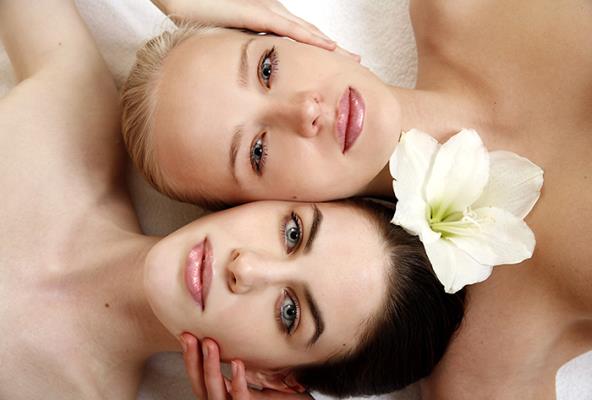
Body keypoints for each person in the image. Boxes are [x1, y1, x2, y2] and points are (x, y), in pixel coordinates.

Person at [121, 1, 592, 398]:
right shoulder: (488, 348)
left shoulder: (460, 9)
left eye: (267, 68)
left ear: (286, 35)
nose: (304, 110)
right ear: (258, 207)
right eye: (258, 152)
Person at [0, 1, 466, 399]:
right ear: (265, 199)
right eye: (292, 232)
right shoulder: (69, 121)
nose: (245, 268)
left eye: (289, 313)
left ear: (277, 378)